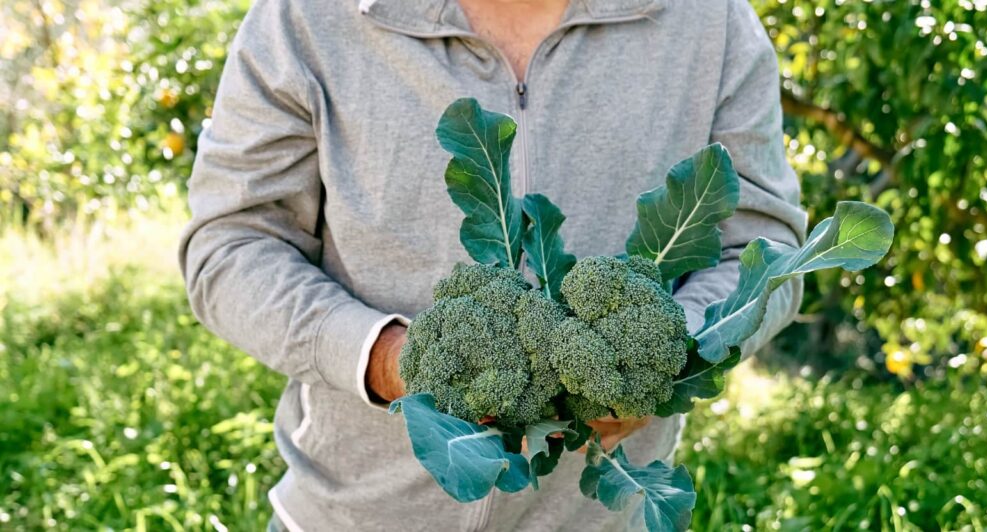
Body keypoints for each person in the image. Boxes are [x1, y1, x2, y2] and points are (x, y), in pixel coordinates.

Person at [179, 0, 807, 529]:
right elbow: (231, 244)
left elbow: (764, 247)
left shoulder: (709, 21)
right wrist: (385, 357)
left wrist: (665, 351)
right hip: (354, 515)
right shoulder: (305, 20)